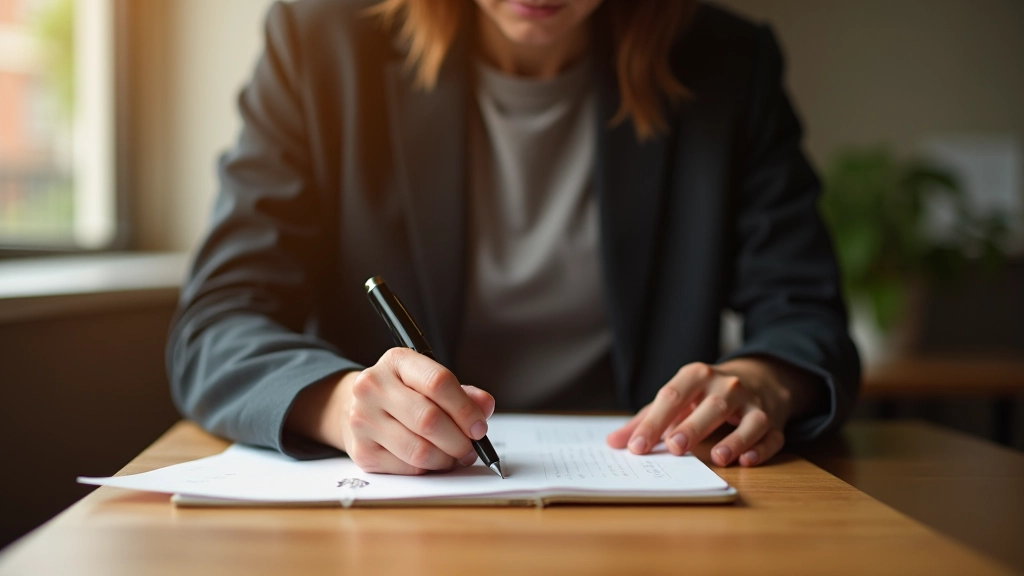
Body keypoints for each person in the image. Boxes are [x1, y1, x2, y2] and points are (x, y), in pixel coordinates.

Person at [168, 0, 861, 475]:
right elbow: (218, 322)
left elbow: (805, 314)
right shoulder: (319, 41)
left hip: (645, 498)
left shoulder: (729, 63)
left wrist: (765, 385)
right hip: (401, 514)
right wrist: (339, 401)